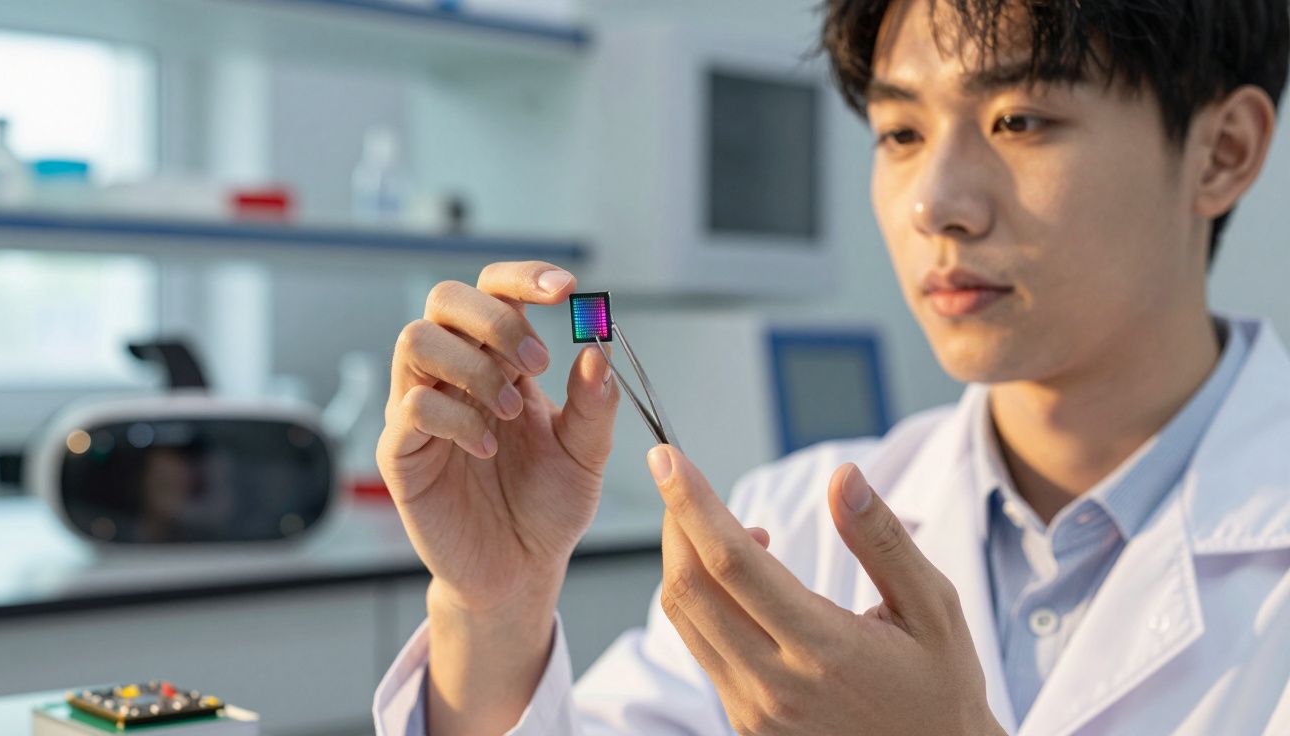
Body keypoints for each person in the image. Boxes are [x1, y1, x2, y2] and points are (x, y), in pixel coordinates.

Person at [372, 0, 1290, 732]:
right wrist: (496, 611)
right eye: (900, 134)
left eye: (1019, 119)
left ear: (1223, 153)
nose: (935, 202)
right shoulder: (793, 524)